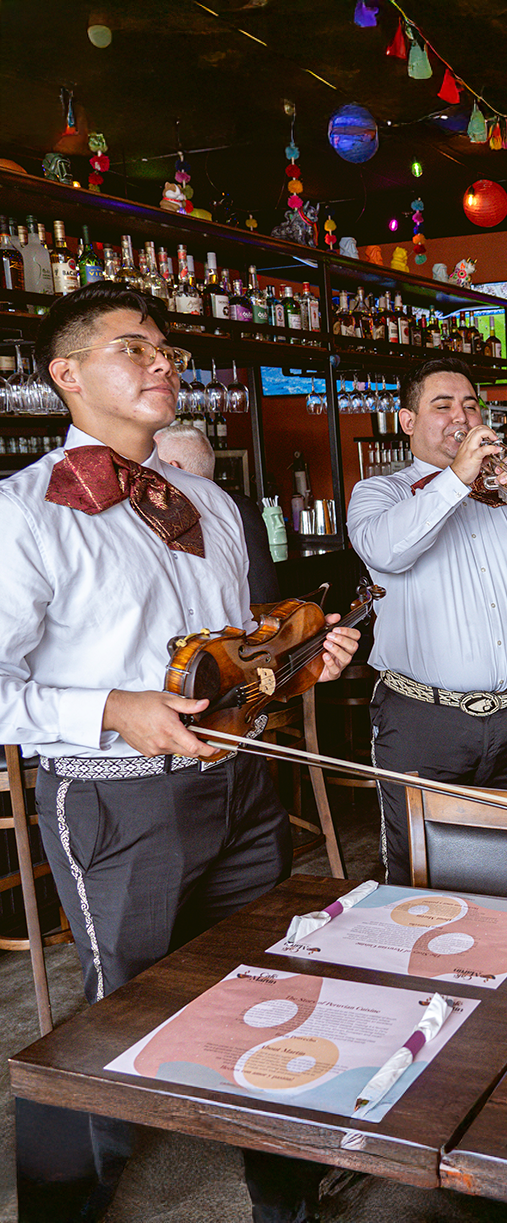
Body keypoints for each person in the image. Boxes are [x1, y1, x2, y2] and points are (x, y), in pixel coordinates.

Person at [0, 281, 358, 1222]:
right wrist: (114, 706)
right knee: (115, 1009)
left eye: (166, 347)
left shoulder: (210, 502)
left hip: (241, 785)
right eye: (134, 348)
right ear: (66, 374)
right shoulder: (23, 513)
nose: (163, 361)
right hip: (118, 802)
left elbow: (234, 658)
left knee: (265, 986)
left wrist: (297, 665)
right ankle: (64, 1204)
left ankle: (284, 1194)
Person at [347, 357, 507, 884]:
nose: (463, 416)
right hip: (424, 722)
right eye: (443, 405)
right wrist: (458, 477)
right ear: (408, 422)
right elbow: (389, 551)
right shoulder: (379, 494)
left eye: (471, 405)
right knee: (421, 876)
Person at [154, 419, 281, 604]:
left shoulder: (170, 516)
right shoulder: (240, 506)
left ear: (173, 468)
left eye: (151, 465)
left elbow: (261, 599)